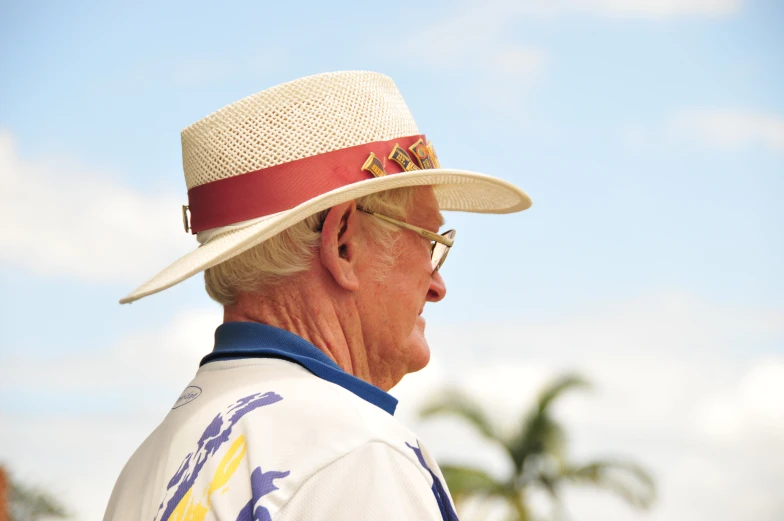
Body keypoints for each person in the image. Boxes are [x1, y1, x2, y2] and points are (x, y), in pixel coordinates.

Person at [104, 71, 531, 521]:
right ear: (343, 243)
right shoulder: (356, 453)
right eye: (430, 243)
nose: (437, 286)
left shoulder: (149, 464)